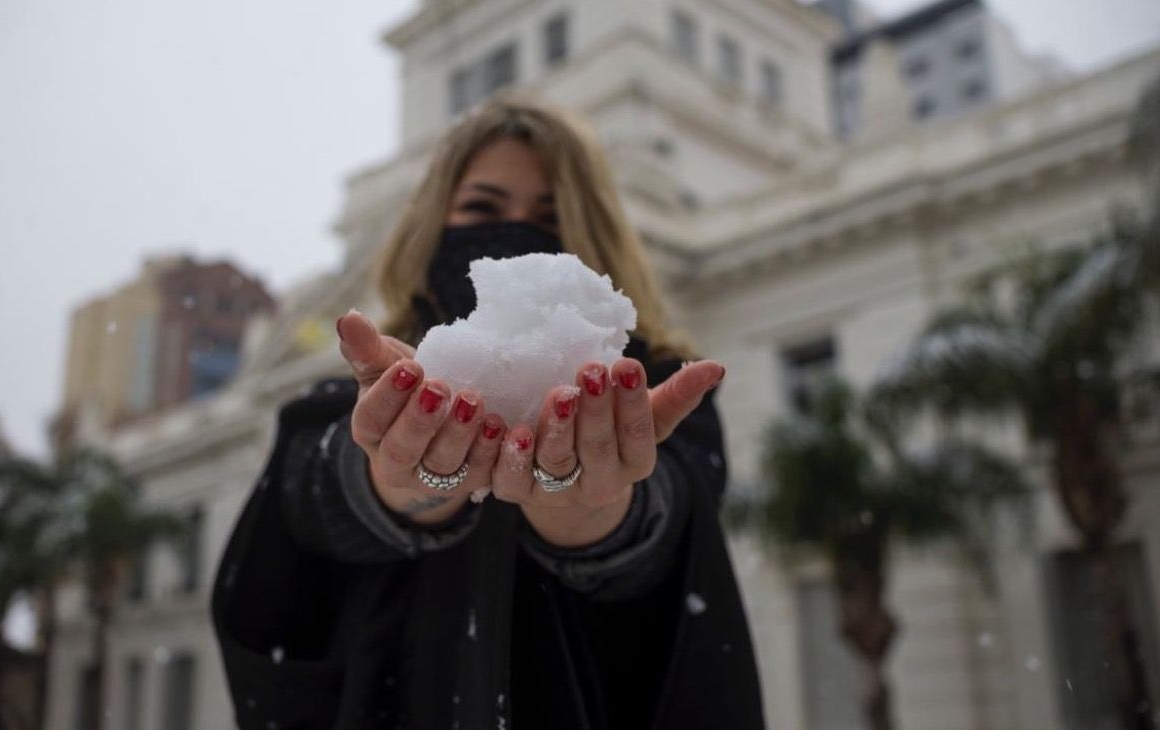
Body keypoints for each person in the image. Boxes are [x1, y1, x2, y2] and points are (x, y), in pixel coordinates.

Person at [211, 95, 766, 729]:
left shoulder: (651, 389)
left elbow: (676, 512)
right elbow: (301, 502)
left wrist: (594, 512)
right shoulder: (352, 396)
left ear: (592, 240)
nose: (515, 234)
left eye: (551, 218)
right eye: (482, 208)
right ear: (432, 224)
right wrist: (391, 478)